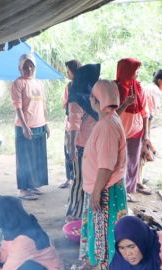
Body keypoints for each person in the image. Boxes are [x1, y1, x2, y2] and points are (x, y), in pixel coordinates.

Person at [77, 79, 128, 270]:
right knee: (104, 230)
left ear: (97, 101)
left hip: (105, 188)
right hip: (106, 186)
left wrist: (97, 192)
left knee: (104, 231)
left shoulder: (106, 125)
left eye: (92, 96)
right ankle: (104, 266)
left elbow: (106, 165)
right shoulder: (111, 118)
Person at [65, 63, 101, 224]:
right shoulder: (76, 98)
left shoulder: (91, 96)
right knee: (79, 180)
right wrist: (71, 146)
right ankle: (73, 212)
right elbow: (74, 124)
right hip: (81, 147)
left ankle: (84, 211)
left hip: (93, 146)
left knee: (90, 180)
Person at [11, 53, 50, 201]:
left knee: (37, 158)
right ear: (20, 68)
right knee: (25, 158)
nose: (29, 68)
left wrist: (46, 124)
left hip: (39, 124)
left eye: (31, 65)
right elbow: (18, 108)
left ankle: (33, 185)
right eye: (25, 66)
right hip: (25, 126)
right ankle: (23, 189)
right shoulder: (18, 83)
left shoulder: (39, 83)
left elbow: (43, 105)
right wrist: (25, 127)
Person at [115, 58, 148, 199]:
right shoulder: (115, 88)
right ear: (126, 71)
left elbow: (144, 113)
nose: (137, 73)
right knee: (119, 163)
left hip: (136, 131)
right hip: (119, 131)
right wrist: (126, 103)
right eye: (135, 70)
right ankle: (118, 191)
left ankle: (128, 191)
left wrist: (146, 133)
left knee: (133, 162)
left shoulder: (139, 88)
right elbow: (112, 113)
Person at [136, 69, 162, 194]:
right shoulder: (155, 91)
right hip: (141, 125)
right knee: (142, 153)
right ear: (160, 81)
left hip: (138, 124)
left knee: (141, 154)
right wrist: (147, 135)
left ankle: (138, 179)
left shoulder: (149, 88)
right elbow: (148, 114)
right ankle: (138, 182)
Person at [60, 59, 82, 189]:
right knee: (70, 151)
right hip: (71, 123)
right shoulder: (72, 86)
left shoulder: (70, 87)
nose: (67, 73)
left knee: (71, 150)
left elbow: (65, 105)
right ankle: (71, 178)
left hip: (74, 124)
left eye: (68, 71)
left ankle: (72, 179)